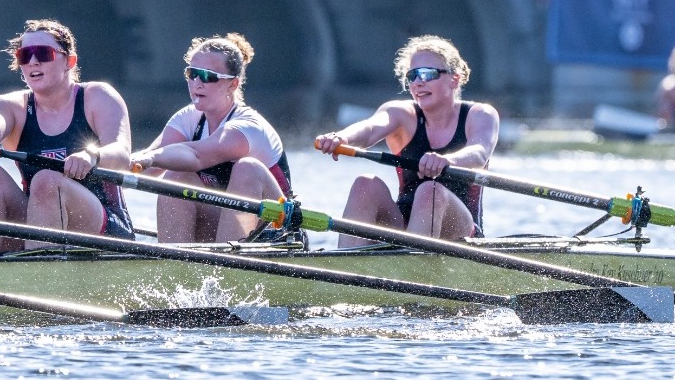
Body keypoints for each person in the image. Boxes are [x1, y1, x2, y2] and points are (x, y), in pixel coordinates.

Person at [0, 19, 135, 256]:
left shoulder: (98, 97)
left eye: (43, 53)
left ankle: (40, 276)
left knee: (46, 181)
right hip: (39, 220)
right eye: (24, 55)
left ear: (69, 62)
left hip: (103, 226)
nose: (33, 62)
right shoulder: (11, 106)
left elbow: (122, 155)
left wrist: (92, 154)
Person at [314, 35, 500, 244]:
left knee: (430, 190)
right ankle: (346, 268)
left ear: (454, 79)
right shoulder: (401, 114)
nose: (419, 83)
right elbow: (371, 128)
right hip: (404, 228)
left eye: (428, 74)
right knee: (365, 184)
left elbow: (479, 151)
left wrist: (448, 160)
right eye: (412, 76)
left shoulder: (480, 115)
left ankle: (413, 267)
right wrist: (342, 137)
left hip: (461, 234)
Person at [128, 34, 293, 243]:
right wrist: (92, 163)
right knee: (175, 178)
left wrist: (150, 158)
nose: (197, 82)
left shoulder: (248, 127)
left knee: (247, 168)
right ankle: (175, 267)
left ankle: (225, 268)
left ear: (233, 84)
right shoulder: (188, 118)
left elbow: (195, 156)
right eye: (192, 73)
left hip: (272, 232)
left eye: (208, 76)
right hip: (224, 229)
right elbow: (145, 166)